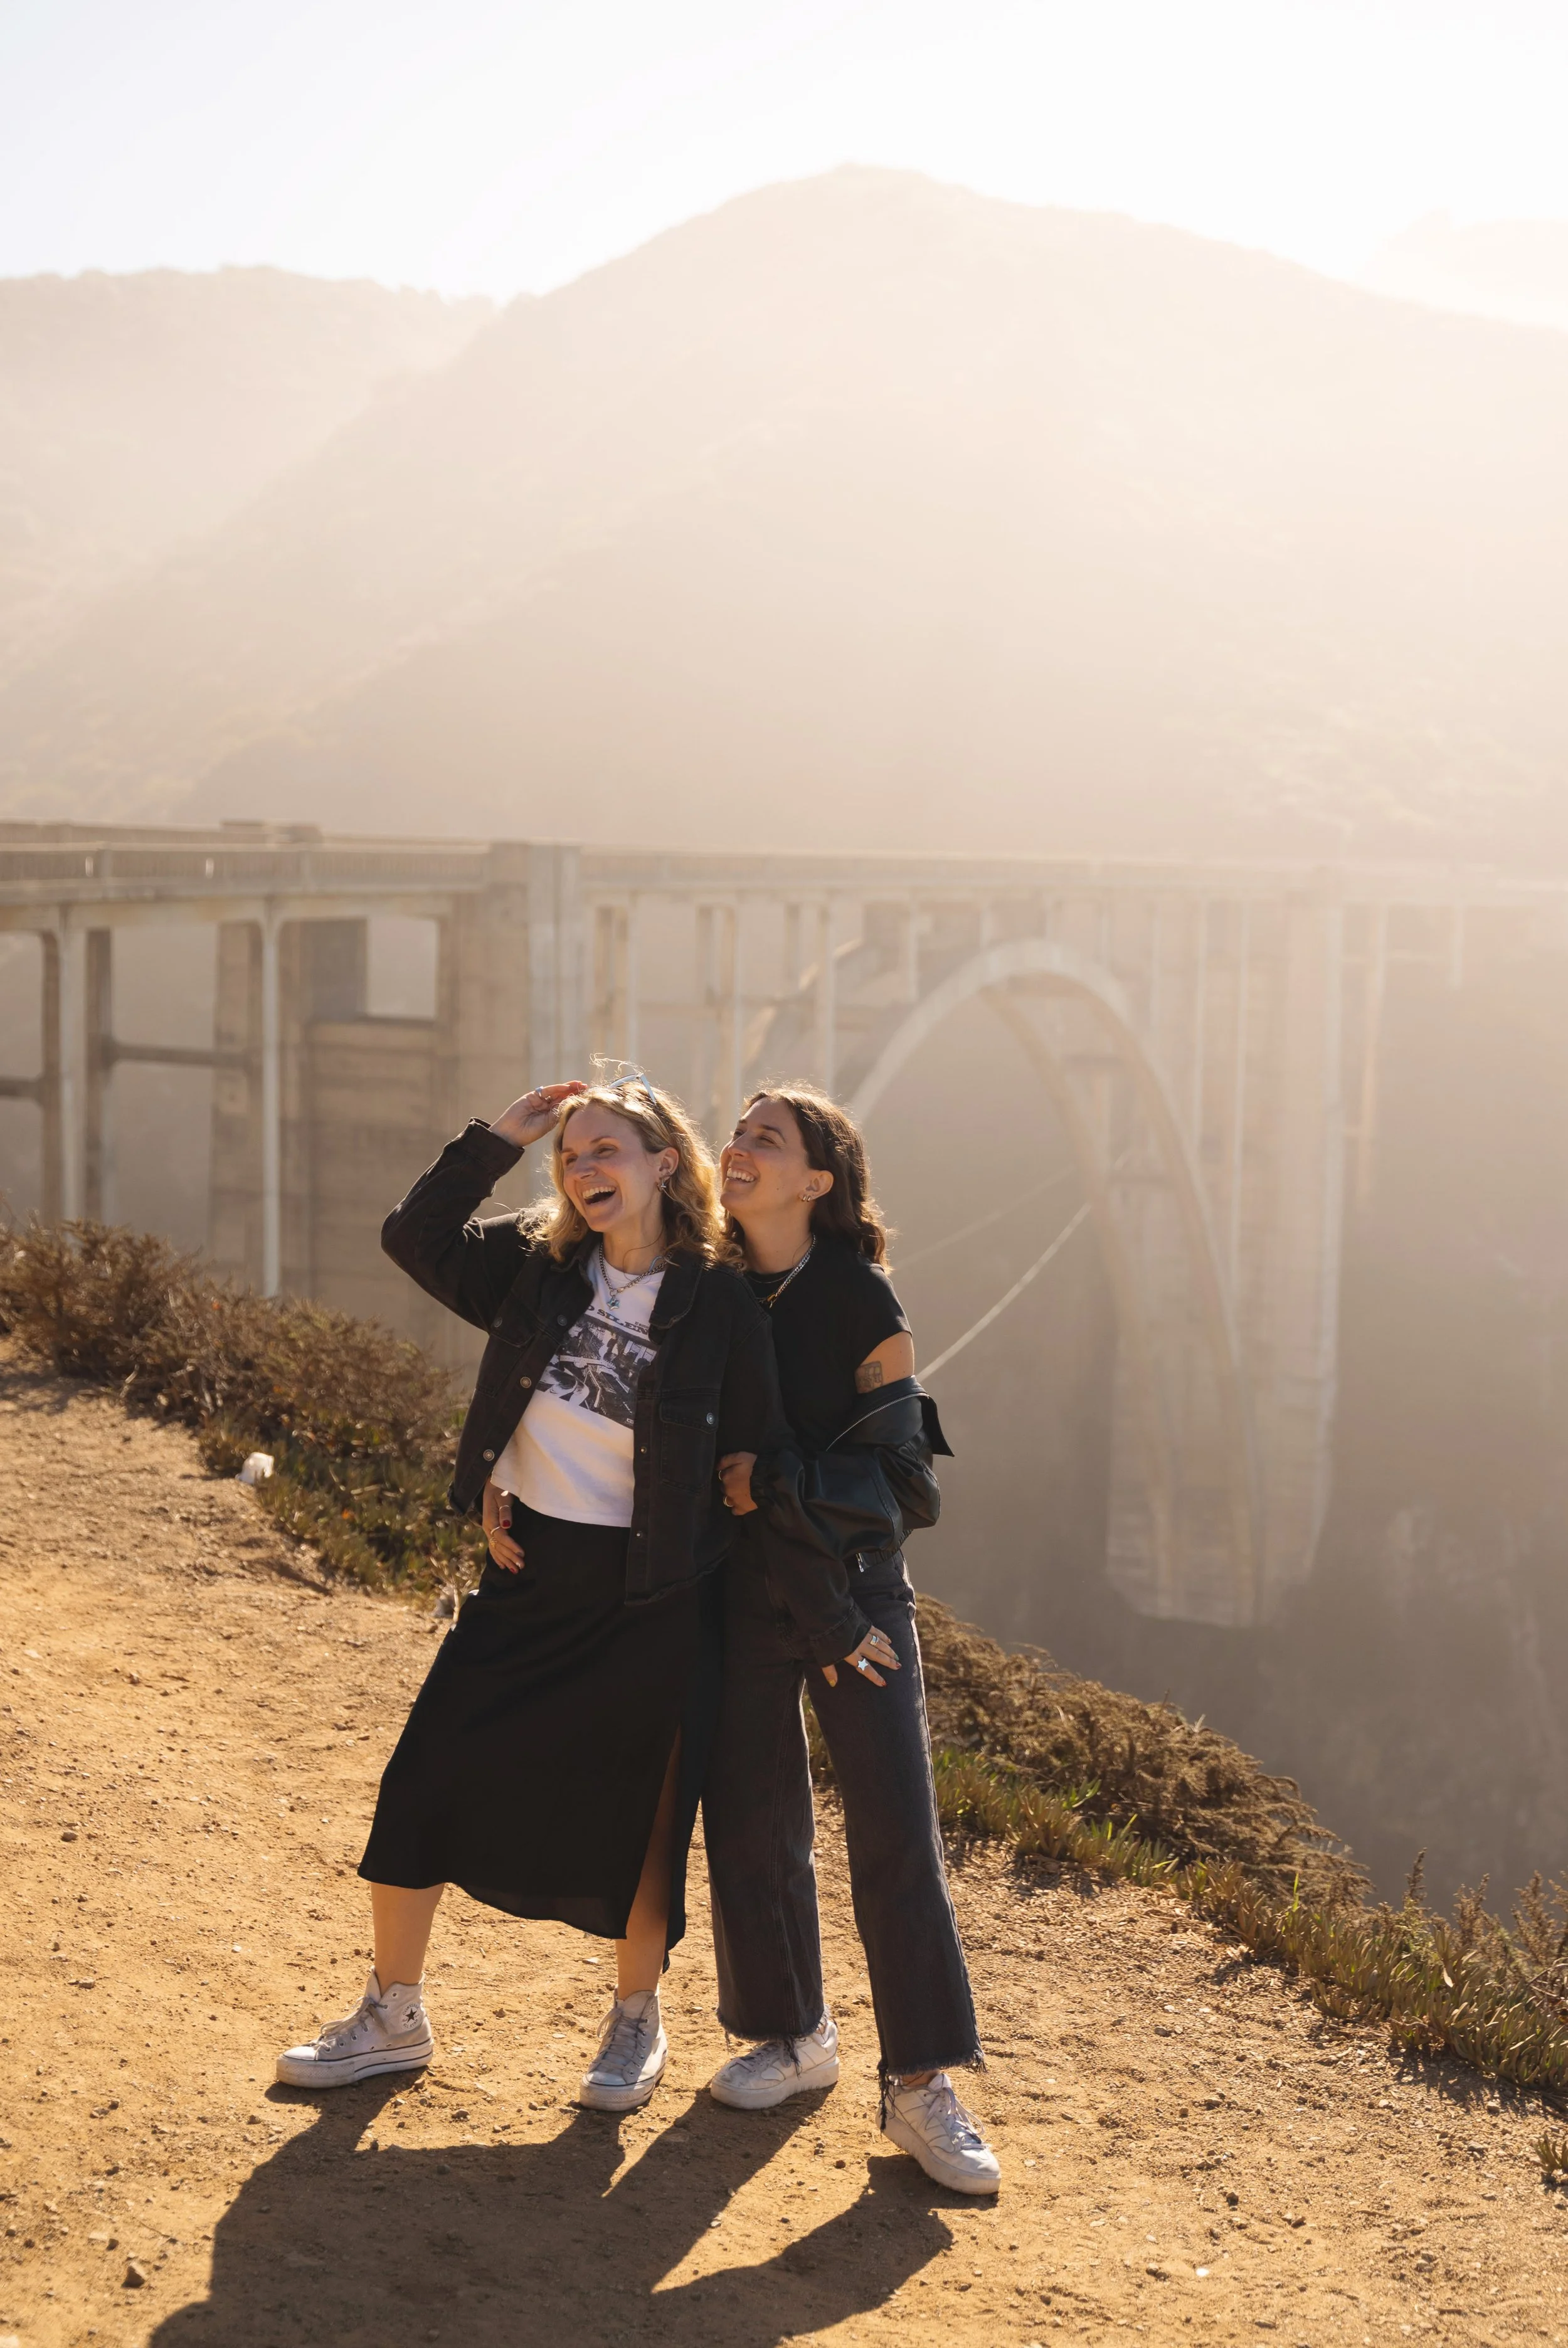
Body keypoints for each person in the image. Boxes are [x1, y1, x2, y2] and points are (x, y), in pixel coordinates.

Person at [275, 1076, 787, 2113]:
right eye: (572, 1155)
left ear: (664, 1166)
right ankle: (392, 2015)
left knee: (642, 1820)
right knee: (422, 1778)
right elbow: (414, 1238)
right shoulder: (538, 1268)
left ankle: (636, 2021)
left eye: (609, 1150)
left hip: (653, 1595)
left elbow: (755, 1451)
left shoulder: (717, 1300)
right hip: (530, 1572)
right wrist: (496, 1140)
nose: (585, 1168)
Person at [702, 1084, 1000, 2195]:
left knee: (894, 1835)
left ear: (817, 1182)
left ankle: (920, 2083)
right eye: (736, 1134)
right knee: (752, 1817)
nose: (738, 1150)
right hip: (740, 1596)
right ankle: (794, 2037)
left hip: (858, 1604)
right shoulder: (712, 1288)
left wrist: (771, 1480)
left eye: (765, 1141)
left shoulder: (859, 1296)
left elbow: (910, 1486)